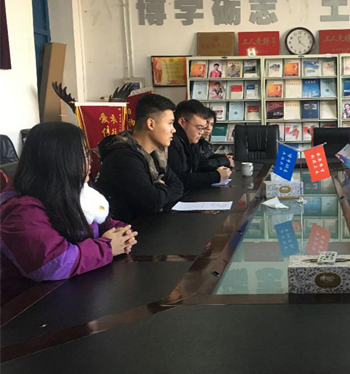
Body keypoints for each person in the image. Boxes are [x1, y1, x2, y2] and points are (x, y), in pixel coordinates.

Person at [0, 123, 137, 304]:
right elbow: (53, 263)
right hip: (30, 307)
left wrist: (122, 234)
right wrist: (108, 247)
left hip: (76, 292)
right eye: (83, 155)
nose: (90, 161)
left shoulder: (73, 191)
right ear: (60, 159)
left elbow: (103, 222)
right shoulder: (21, 211)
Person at [95, 94, 184, 222]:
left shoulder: (156, 154)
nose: (173, 130)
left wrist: (160, 193)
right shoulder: (123, 157)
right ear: (151, 124)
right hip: (126, 228)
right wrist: (162, 189)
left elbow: (178, 186)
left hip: (148, 225)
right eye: (170, 123)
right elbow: (152, 203)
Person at [169, 100, 231, 190]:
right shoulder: (171, 142)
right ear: (182, 122)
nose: (201, 133)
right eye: (199, 128)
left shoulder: (192, 140)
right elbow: (180, 179)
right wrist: (216, 176)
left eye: (203, 128)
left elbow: (201, 165)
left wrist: (219, 170)